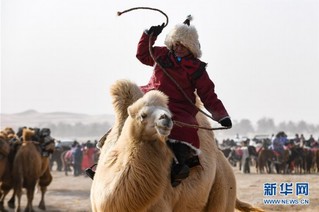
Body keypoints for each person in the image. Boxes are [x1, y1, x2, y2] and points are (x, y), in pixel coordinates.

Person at [136, 16, 232, 186]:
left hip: (178, 106)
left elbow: (208, 94)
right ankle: (108, 155)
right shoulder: (161, 54)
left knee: (184, 127)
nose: (179, 48)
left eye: (183, 45)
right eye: (177, 43)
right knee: (127, 108)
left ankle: (179, 167)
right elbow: (142, 55)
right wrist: (149, 36)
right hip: (151, 97)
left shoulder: (197, 69)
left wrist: (222, 115)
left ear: (191, 47)